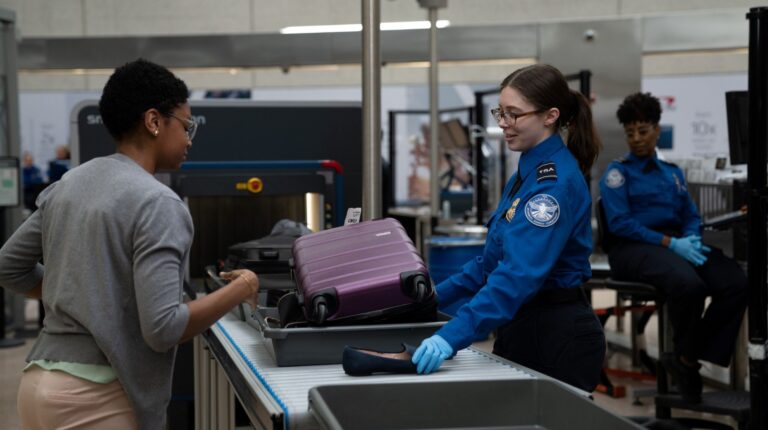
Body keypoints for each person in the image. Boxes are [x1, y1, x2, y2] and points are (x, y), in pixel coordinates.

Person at [0, 59, 260, 429]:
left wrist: (84, 294)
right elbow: (164, 329)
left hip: (38, 384)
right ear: (154, 121)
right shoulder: (159, 203)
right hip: (99, 397)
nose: (189, 140)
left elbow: (9, 268)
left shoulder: (69, 184)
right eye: (187, 126)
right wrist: (241, 288)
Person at [412, 64, 606, 392]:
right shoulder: (525, 174)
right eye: (500, 112)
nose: (503, 124)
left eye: (513, 114)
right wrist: (430, 299)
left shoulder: (551, 185)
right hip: (524, 325)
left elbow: (517, 276)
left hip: (556, 336)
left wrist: (451, 336)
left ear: (550, 116)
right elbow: (491, 263)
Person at [599, 92, 748, 403]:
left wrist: (691, 238)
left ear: (657, 129)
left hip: (675, 242)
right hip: (633, 247)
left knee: (735, 282)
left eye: (643, 131)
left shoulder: (673, 173)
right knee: (687, 284)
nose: (636, 139)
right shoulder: (618, 173)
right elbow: (621, 224)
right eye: (630, 133)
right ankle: (686, 360)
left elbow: (690, 215)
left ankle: (686, 359)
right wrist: (670, 242)